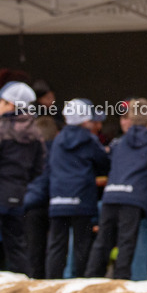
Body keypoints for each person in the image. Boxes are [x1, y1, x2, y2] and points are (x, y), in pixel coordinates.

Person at [84, 98, 147, 279]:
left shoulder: (119, 142)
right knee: (126, 242)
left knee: (103, 241)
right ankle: (121, 280)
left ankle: (91, 278)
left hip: (111, 194)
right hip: (132, 197)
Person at [45, 99, 110, 279]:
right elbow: (104, 163)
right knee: (82, 243)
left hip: (58, 197)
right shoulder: (89, 139)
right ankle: (80, 280)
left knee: (57, 243)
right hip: (81, 197)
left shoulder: (58, 139)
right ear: (86, 119)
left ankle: (52, 281)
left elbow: (51, 165)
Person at [0, 82, 45, 274]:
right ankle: (23, 283)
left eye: (1, 102)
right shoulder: (36, 134)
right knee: (17, 245)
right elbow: (39, 167)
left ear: (11, 105)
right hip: (18, 196)